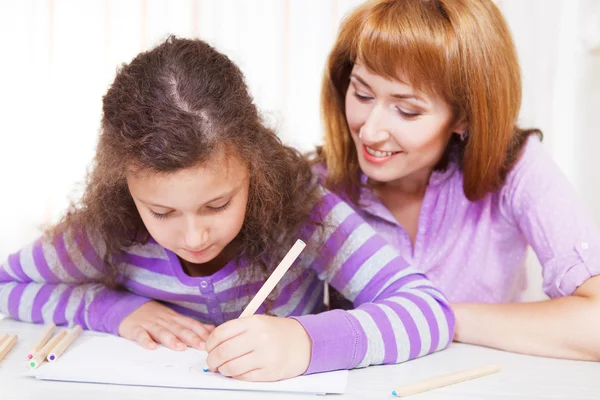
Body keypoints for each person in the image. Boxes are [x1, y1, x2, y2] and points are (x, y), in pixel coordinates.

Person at [0, 36, 454, 381]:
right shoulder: (105, 231)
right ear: (124, 187)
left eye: (217, 204)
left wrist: (308, 343)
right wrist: (114, 310)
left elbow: (429, 310)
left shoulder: (304, 213)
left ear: (253, 167)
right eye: (161, 213)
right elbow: (5, 285)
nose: (194, 237)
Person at [315, 0, 600, 361]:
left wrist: (434, 318)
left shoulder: (516, 168)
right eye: (362, 93)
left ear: (464, 117)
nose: (370, 132)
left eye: (406, 110)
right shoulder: (317, 188)